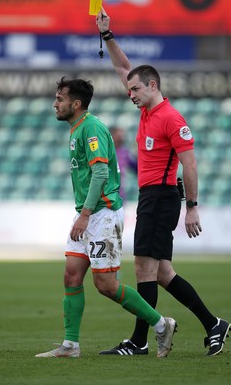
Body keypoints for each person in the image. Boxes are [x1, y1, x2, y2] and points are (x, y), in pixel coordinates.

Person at [96, 8, 231, 357]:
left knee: (145, 267)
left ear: (153, 85)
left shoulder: (171, 118)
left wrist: (192, 208)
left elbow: (190, 164)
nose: (131, 94)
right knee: (162, 272)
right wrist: (108, 36)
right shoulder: (146, 111)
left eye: (136, 89)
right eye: (130, 91)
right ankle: (213, 324)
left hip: (161, 197)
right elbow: (123, 68)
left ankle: (140, 341)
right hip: (151, 197)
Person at [35, 76, 177, 358]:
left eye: (60, 99)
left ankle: (162, 325)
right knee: (72, 275)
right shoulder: (77, 129)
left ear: (76, 104)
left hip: (101, 215)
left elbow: (100, 173)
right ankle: (70, 346)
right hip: (87, 214)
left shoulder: (91, 129)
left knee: (106, 285)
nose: (55, 104)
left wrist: (85, 215)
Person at [109, 126, 137, 201]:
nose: (121, 138)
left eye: (122, 135)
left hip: (120, 194)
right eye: (118, 135)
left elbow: (135, 168)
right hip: (105, 193)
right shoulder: (105, 152)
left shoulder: (125, 152)